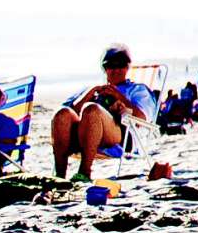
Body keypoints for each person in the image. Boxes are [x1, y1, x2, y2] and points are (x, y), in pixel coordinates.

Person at [49, 45, 157, 181]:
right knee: (62, 113)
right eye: (111, 66)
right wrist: (89, 94)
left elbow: (142, 118)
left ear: (127, 67)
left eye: (121, 65)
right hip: (83, 134)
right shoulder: (93, 89)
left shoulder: (137, 90)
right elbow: (66, 115)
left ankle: (84, 172)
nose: (116, 70)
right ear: (105, 69)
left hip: (121, 135)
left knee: (91, 110)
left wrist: (119, 96)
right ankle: (59, 176)